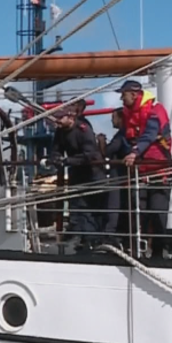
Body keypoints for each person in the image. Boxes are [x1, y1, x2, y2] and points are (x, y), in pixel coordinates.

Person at [117, 79, 172, 259]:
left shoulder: (155, 110)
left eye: (123, 94)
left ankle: (157, 252)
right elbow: (126, 137)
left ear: (134, 94)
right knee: (137, 212)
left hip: (159, 169)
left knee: (157, 211)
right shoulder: (128, 113)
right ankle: (136, 250)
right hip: (139, 171)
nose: (121, 98)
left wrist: (134, 152)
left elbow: (149, 134)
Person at [48, 106, 104, 251]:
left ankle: (90, 240)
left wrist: (67, 161)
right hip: (76, 173)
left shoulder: (83, 130)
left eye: (60, 118)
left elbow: (90, 154)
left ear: (71, 118)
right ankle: (79, 238)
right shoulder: (61, 131)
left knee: (88, 207)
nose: (57, 122)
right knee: (76, 205)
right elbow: (56, 149)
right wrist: (56, 159)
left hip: (92, 173)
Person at [101, 108, 131, 246]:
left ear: (120, 118)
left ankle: (111, 234)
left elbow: (107, 151)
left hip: (118, 175)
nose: (111, 120)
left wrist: (101, 142)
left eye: (113, 117)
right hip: (123, 175)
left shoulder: (121, 135)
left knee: (114, 204)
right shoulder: (124, 134)